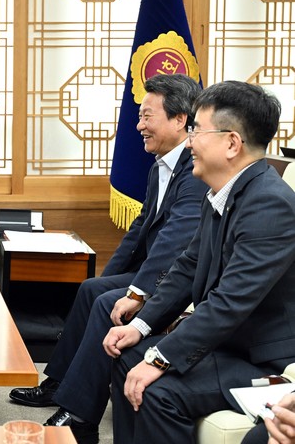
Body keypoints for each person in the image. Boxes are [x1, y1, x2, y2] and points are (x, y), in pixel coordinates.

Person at [9, 74, 206, 444]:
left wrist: (136, 291)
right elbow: (139, 231)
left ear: (180, 119)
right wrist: (110, 276)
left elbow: (174, 242)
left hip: (178, 279)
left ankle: (80, 417)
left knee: (105, 302)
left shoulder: (195, 170)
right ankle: (60, 384)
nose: (139, 125)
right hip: (155, 271)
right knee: (92, 289)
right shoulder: (160, 165)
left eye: (147, 116)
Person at [103, 81, 295, 443]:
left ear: (232, 143)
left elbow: (229, 302)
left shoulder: (270, 204)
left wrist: (160, 359)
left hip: (262, 361)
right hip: (226, 346)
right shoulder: (220, 192)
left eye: (196, 130)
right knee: (126, 356)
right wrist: (141, 326)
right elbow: (187, 266)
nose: (189, 141)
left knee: (157, 390)